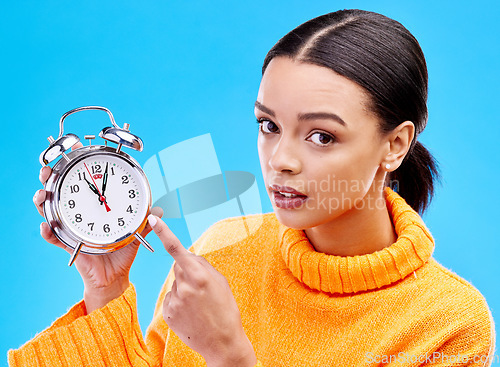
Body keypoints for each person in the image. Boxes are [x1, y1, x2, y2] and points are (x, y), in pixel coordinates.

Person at [9, 9, 495, 367]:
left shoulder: (449, 325)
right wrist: (107, 289)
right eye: (268, 126)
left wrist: (231, 356)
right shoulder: (223, 250)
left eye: (321, 136)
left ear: (395, 144)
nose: (280, 160)